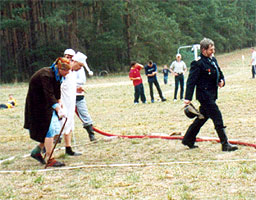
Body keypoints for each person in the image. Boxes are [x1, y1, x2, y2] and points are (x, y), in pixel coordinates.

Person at [182, 38, 238, 152]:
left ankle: (188, 139)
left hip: (212, 95)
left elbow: (219, 73)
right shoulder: (198, 63)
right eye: (210, 49)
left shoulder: (213, 60)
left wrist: (222, 80)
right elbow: (191, 81)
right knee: (217, 116)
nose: (213, 51)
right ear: (203, 50)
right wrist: (187, 98)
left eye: (213, 49)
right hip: (204, 96)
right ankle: (225, 143)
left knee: (202, 118)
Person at [24, 57, 71, 167]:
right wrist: (58, 109)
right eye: (67, 71)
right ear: (61, 69)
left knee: (54, 129)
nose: (68, 73)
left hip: (47, 103)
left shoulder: (58, 76)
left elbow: (56, 91)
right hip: (37, 104)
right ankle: (50, 159)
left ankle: (37, 151)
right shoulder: (46, 75)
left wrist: (59, 103)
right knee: (48, 130)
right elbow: (48, 94)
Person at [60, 49, 83, 156]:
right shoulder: (61, 72)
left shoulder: (73, 74)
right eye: (67, 56)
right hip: (61, 103)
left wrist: (76, 89)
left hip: (70, 103)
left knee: (69, 124)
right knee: (58, 126)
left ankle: (68, 148)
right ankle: (45, 147)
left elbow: (69, 87)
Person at [75, 52, 96, 142]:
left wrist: (75, 86)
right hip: (66, 96)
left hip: (78, 96)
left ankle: (91, 134)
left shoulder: (80, 69)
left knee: (84, 114)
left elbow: (82, 81)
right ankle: (58, 137)